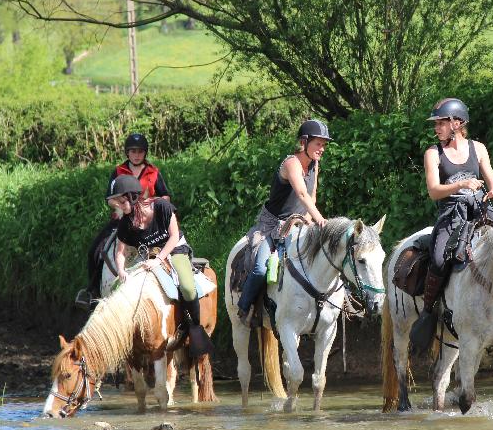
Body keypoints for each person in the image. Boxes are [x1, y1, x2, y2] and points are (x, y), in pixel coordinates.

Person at [410, 97, 493, 349]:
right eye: (436, 123)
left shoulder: (479, 148)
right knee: (439, 259)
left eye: (441, 122)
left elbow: (492, 181)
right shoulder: (433, 153)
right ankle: (429, 310)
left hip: (479, 210)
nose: (436, 128)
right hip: (451, 214)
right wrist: (461, 184)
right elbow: (434, 191)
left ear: (457, 123)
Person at [235, 119, 332, 323]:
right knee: (261, 268)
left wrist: (308, 221)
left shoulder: (315, 165)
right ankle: (245, 308)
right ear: (304, 142)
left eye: (324, 145)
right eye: (318, 144)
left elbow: (312, 197)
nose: (322, 149)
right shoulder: (291, 164)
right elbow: (302, 194)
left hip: (299, 224)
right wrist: (321, 220)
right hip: (272, 226)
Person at [110, 175, 213, 356]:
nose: (117, 206)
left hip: (175, 250)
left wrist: (159, 260)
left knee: (188, 288)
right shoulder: (126, 223)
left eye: (120, 202)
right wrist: (121, 270)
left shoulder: (161, 207)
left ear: (132, 196)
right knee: (118, 288)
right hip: (148, 256)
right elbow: (120, 252)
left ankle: (194, 327)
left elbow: (173, 236)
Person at [76, 133, 171, 308]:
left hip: (148, 221)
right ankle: (91, 292)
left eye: (140, 151)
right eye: (133, 151)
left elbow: (165, 195)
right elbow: (109, 198)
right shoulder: (118, 171)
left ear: (145, 153)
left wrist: (152, 204)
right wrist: (122, 206)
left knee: (171, 245)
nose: (137, 155)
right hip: (121, 219)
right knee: (95, 250)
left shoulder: (154, 172)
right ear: (127, 153)